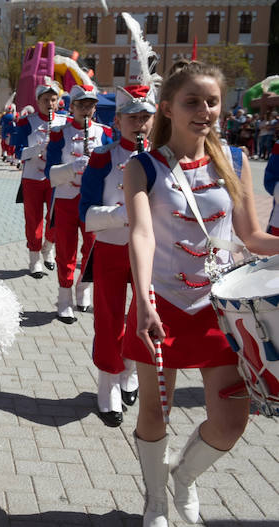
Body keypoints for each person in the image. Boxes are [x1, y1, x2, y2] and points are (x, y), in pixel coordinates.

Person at [123, 60, 279, 527]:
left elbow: (251, 236)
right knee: (154, 412)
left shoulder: (234, 160)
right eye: (192, 101)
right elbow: (142, 235)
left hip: (222, 312)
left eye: (212, 101)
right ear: (167, 108)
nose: (205, 110)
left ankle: (184, 476)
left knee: (231, 421)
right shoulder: (142, 165)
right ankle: (154, 500)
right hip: (163, 305)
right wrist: (145, 302)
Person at [80, 84, 155, 426]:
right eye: (133, 117)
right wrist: (123, 215)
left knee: (143, 315)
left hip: (151, 253)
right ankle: (108, 383)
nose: (140, 124)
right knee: (108, 318)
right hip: (111, 247)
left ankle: (131, 372)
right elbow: (86, 213)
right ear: (119, 120)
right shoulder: (102, 157)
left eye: (146, 117)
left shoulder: (163, 158)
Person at [45, 84, 108, 322]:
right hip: (65, 200)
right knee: (65, 250)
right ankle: (64, 299)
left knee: (91, 249)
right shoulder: (59, 133)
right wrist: (71, 168)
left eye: (90, 105)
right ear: (71, 107)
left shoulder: (104, 133)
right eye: (81, 105)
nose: (86, 110)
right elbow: (50, 172)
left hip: (92, 201)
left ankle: (84, 289)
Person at [12, 79, 63, 277]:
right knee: (33, 220)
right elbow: (18, 152)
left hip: (56, 177)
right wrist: (38, 149)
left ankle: (48, 248)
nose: (49, 104)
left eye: (53, 99)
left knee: (55, 218)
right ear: (38, 101)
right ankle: (34, 259)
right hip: (32, 178)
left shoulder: (64, 122)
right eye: (45, 100)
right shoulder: (26, 122)